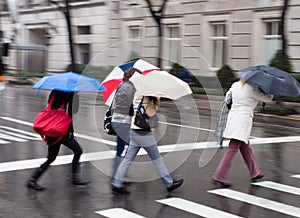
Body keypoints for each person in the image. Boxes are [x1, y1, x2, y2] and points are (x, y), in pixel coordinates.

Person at [111, 95, 184, 194]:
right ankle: (169, 184)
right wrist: (157, 100)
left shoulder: (136, 94)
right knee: (157, 159)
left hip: (133, 129)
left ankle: (117, 183)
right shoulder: (148, 97)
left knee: (127, 159)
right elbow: (151, 112)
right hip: (144, 132)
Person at [212, 79, 273, 188]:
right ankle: (219, 175)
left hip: (233, 117)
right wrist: (270, 91)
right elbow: (267, 98)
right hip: (242, 121)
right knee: (233, 148)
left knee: (245, 147)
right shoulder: (252, 89)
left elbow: (227, 98)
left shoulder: (235, 85)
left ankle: (255, 172)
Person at [26, 90, 90, 191]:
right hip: (54, 132)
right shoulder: (58, 93)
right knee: (51, 158)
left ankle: (74, 178)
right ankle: (32, 180)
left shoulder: (67, 94)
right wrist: (72, 96)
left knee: (78, 151)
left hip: (63, 131)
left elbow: (73, 112)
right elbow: (58, 107)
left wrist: (75, 96)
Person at [111, 67, 138, 178]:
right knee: (131, 146)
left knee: (122, 148)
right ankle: (118, 175)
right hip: (123, 121)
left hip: (117, 120)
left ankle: (117, 173)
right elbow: (129, 104)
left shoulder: (121, 85)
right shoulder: (130, 88)